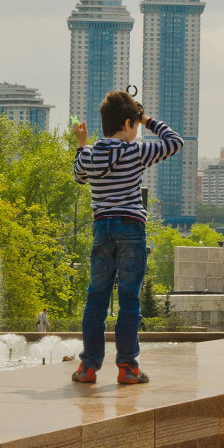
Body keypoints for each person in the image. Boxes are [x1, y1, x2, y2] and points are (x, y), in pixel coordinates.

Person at [71, 90, 182, 384]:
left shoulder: (92, 153)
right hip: (131, 229)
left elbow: (78, 175)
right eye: (135, 123)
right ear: (129, 123)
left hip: (101, 230)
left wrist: (82, 144)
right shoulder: (136, 152)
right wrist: (147, 119)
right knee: (129, 299)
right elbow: (175, 143)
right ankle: (127, 367)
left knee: (96, 299)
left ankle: (88, 367)